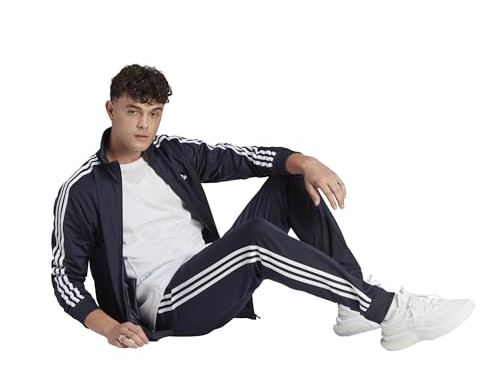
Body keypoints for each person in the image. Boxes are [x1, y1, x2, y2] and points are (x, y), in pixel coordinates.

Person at [51, 64, 475, 351]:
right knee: (254, 241)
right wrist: (109, 327)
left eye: (154, 113)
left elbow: (244, 158)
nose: (144, 124)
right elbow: (64, 278)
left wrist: (306, 162)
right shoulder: (83, 189)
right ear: (111, 110)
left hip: (210, 269)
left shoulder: (171, 153)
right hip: (169, 303)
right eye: (133, 112)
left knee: (290, 180)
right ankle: (387, 309)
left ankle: (351, 301)